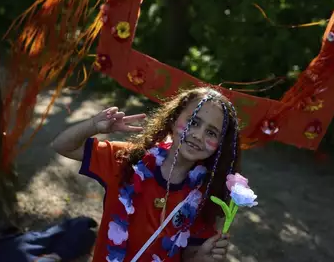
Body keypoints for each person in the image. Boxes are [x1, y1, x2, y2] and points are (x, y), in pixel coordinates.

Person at [52, 87, 241, 262]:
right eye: (194, 122)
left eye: (211, 132)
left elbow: (188, 254)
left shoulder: (206, 195)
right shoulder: (127, 159)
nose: (199, 136)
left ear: (220, 144)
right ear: (174, 119)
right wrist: (93, 125)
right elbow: (62, 146)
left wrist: (201, 257)